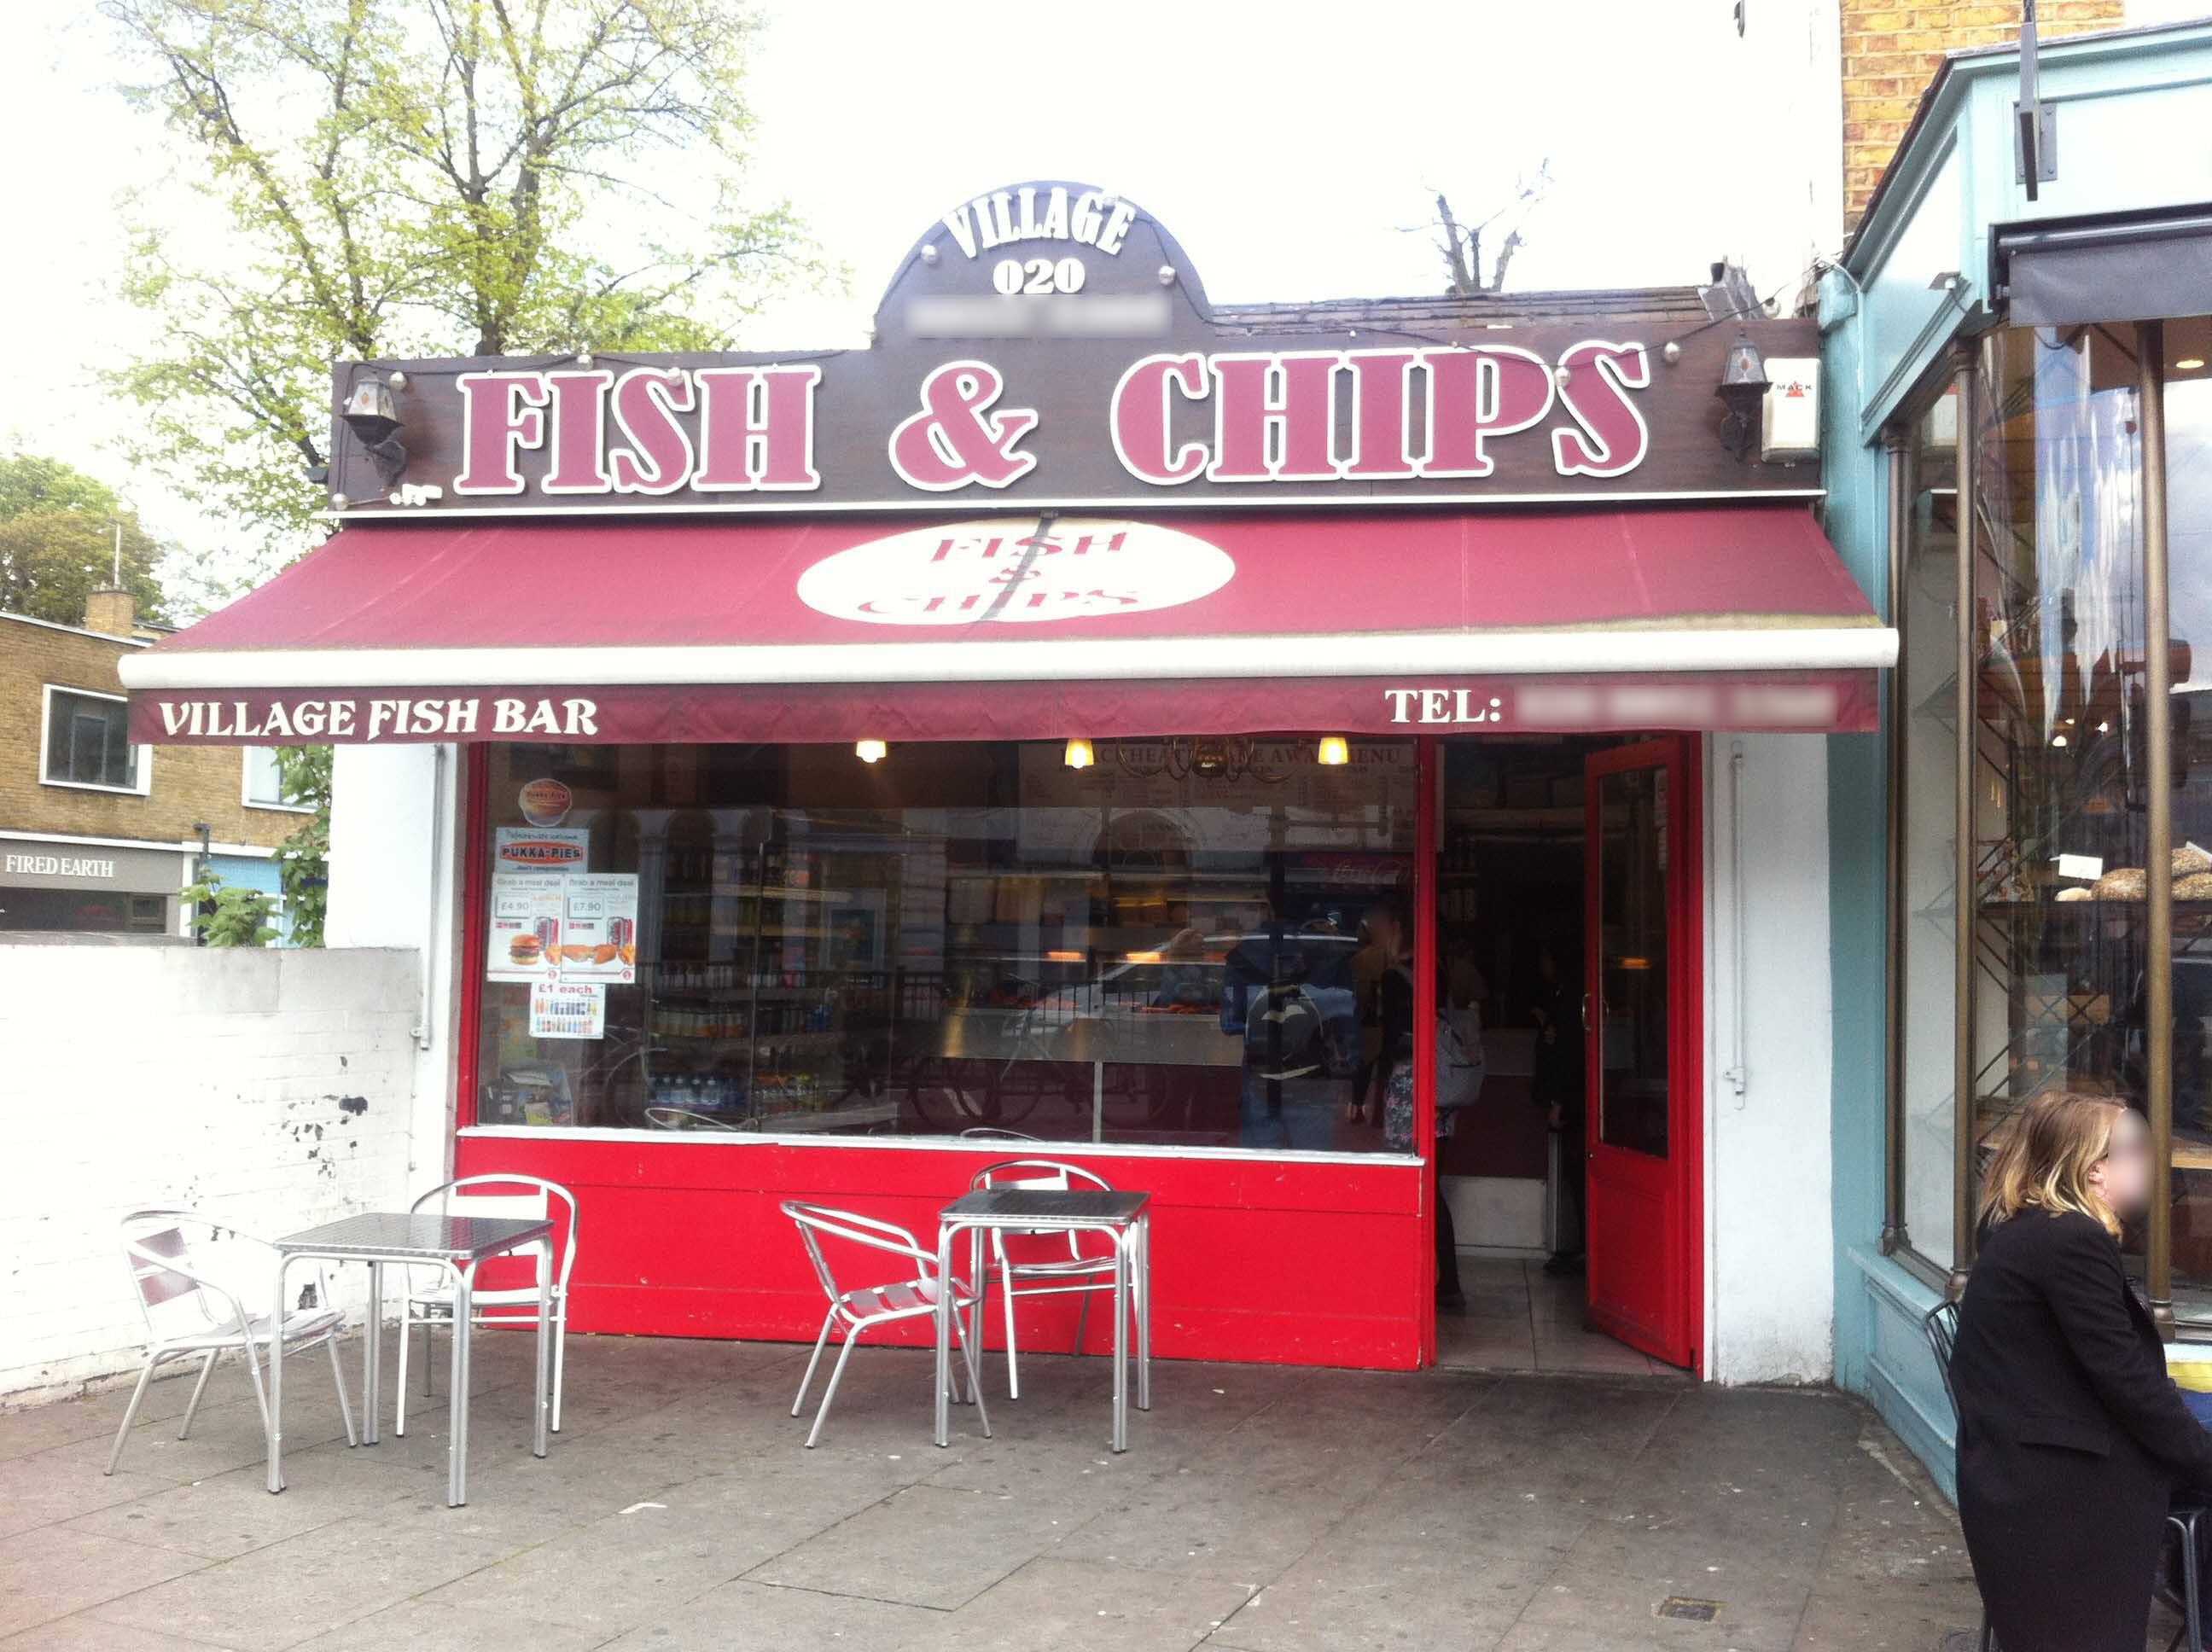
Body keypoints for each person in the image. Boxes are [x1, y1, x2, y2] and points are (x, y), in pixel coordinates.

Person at [1951, 1093, 2212, 1652]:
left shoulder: (2029, 1228)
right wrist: (2199, 1452)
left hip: (2022, 1461)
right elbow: (2124, 1377)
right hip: (2056, 1485)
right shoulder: (2071, 1242)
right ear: (2096, 1170)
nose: (2149, 1161)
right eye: (2135, 1150)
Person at [1380, 950, 1487, 1309]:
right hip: (1440, 1101)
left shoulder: (1396, 978)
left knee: (1409, 1187)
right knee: (1432, 1192)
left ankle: (1410, 1276)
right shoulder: (1439, 968)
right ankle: (1447, 1281)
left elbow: (1390, 1041)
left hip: (1411, 1096)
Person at [1528, 943, 1586, 1275]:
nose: (1542, 964)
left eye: (1546, 957)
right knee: (1574, 1172)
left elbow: (1569, 1054)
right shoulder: (1565, 995)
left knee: (1578, 1172)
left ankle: (1585, 1250)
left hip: (1571, 1099)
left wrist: (1560, 1103)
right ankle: (1582, 1247)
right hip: (1567, 1096)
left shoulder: (1571, 1000)